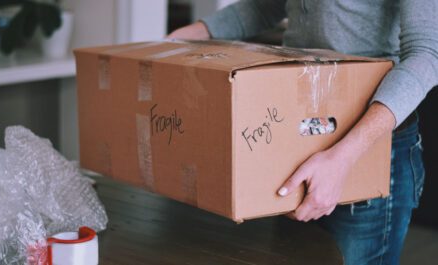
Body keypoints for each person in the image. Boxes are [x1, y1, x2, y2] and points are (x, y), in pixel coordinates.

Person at [168, 1, 438, 264]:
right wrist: (184, 37)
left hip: (365, 150)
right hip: (298, 137)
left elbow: (428, 54)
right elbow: (265, 7)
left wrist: (342, 158)